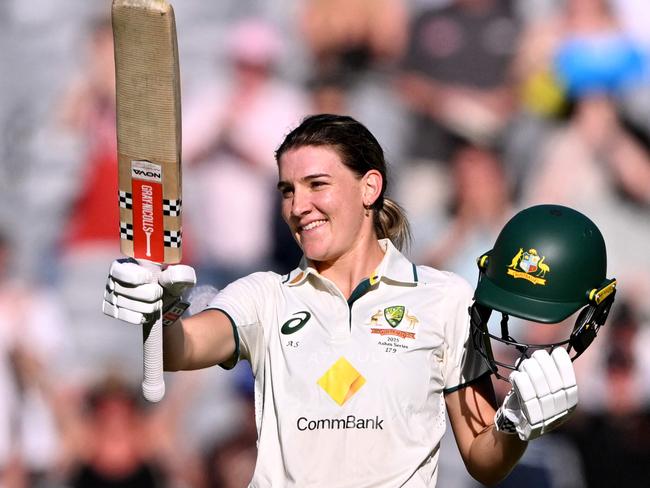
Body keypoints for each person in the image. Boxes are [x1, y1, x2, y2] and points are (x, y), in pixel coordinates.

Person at [102, 114, 581, 487]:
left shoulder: (447, 299)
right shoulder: (265, 295)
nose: (297, 206)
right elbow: (179, 348)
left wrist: (516, 427)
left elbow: (483, 458)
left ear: (369, 186)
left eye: (317, 185)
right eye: (287, 190)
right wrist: (156, 313)